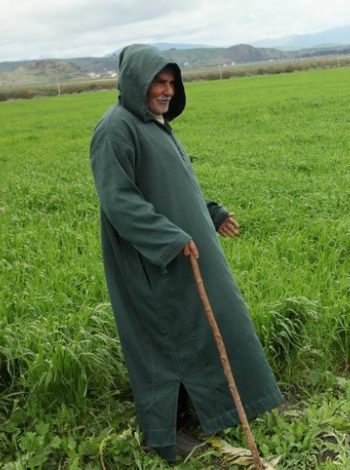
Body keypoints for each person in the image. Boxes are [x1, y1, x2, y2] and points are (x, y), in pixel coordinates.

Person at [90, 44, 283, 463]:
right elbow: (119, 200)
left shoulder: (156, 125)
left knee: (201, 326)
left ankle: (208, 409)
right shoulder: (116, 128)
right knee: (162, 340)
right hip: (150, 262)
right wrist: (166, 237)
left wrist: (211, 213)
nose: (166, 91)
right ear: (135, 82)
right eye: (158, 82)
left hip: (184, 250)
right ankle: (163, 433)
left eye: (171, 83)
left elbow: (175, 185)